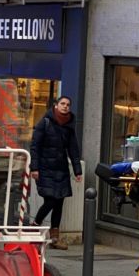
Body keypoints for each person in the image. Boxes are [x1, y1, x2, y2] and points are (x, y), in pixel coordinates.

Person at [29, 96, 82, 250]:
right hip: (45, 168)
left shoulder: (69, 125)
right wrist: (34, 168)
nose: (65, 107)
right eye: (63, 104)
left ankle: (54, 238)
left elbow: (73, 149)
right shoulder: (45, 122)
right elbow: (35, 146)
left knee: (59, 203)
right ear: (56, 106)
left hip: (61, 169)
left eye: (68, 104)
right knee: (51, 201)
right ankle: (34, 226)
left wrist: (77, 170)